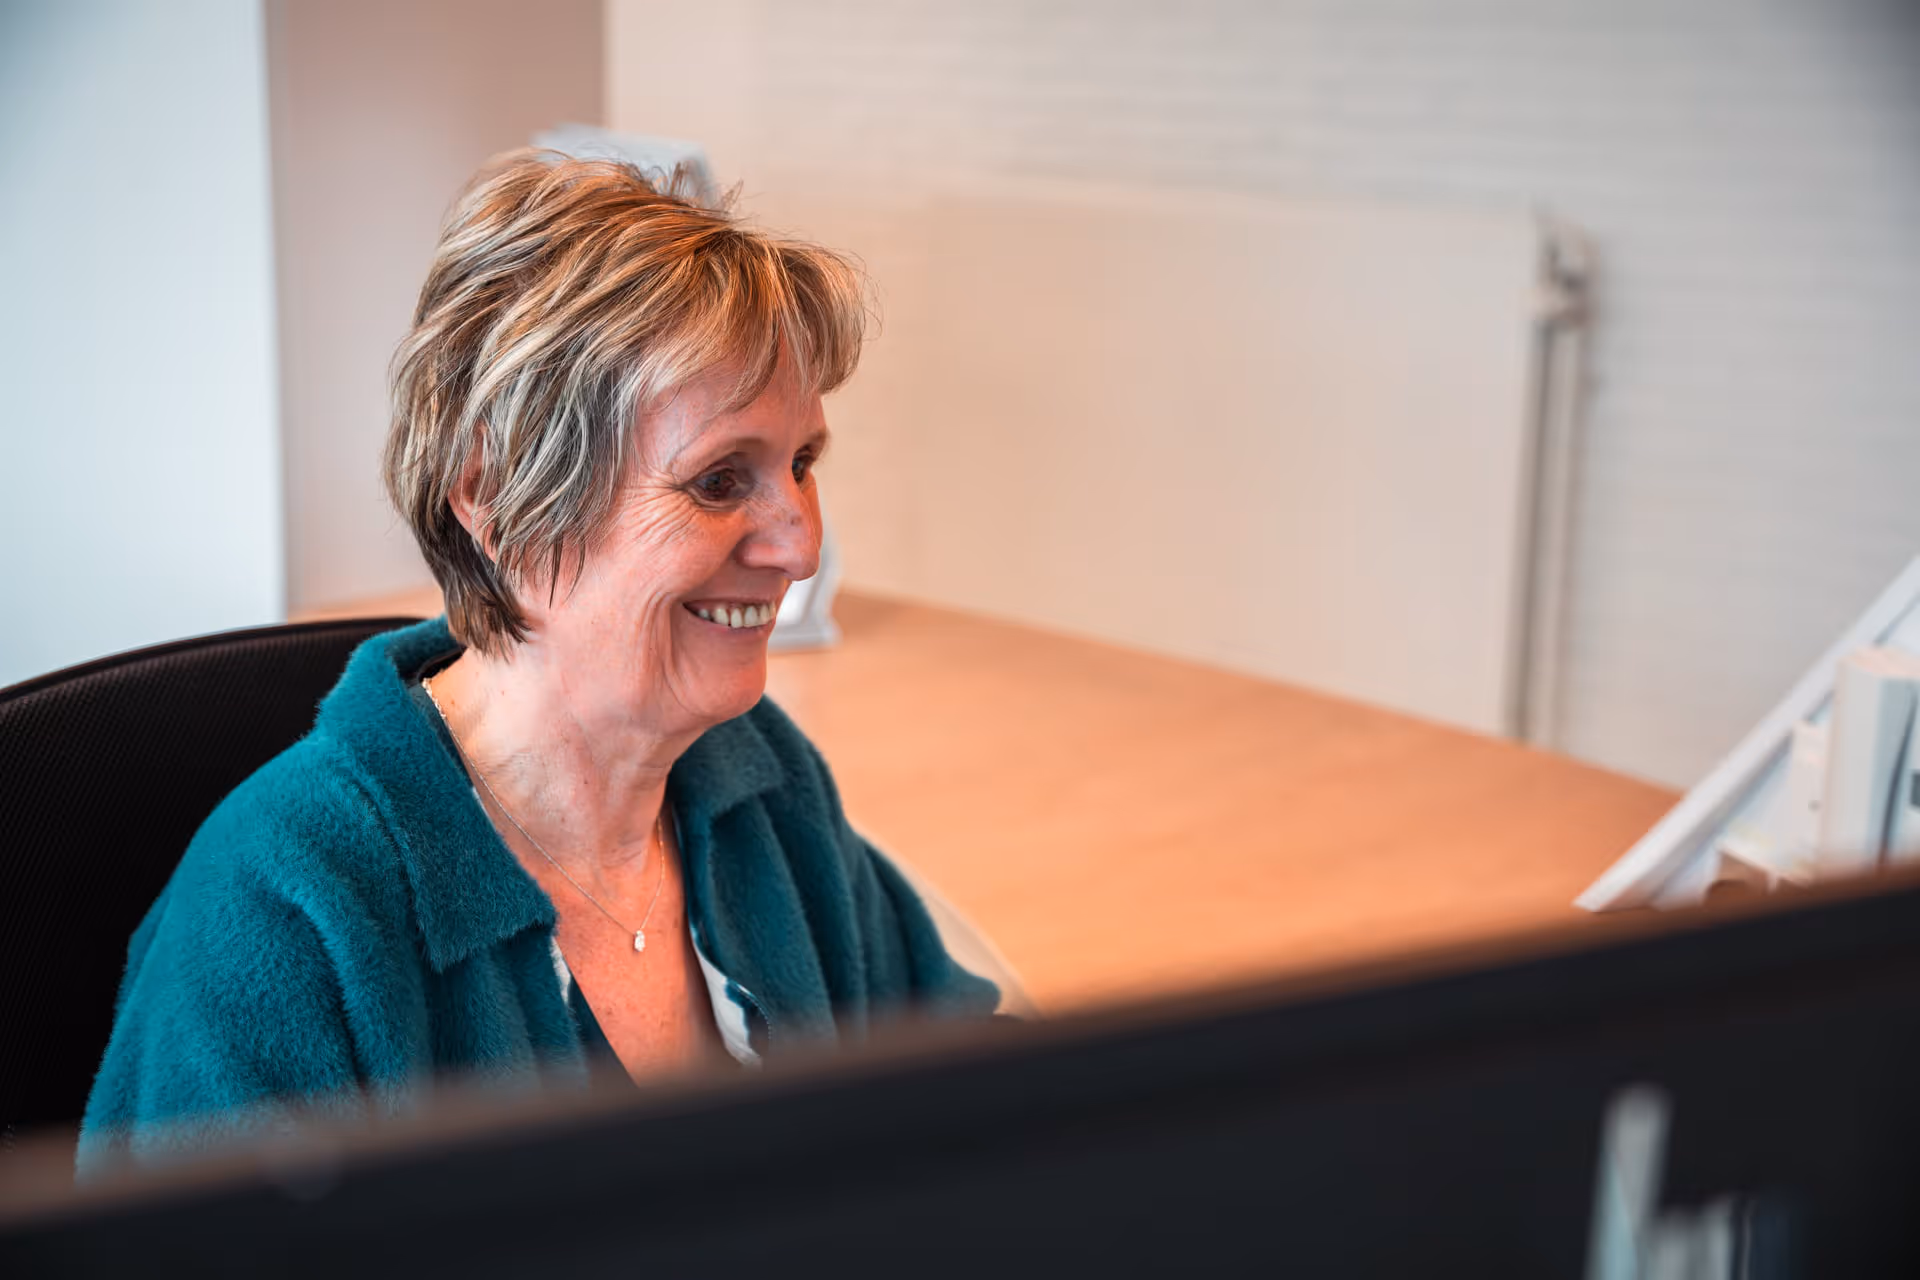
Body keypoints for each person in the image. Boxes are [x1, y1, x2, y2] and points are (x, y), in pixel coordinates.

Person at [77, 150, 1000, 1172]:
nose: (801, 545)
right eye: (718, 480)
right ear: (499, 498)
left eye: (802, 463)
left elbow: (989, 1114)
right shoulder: (286, 911)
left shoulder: (760, 784)